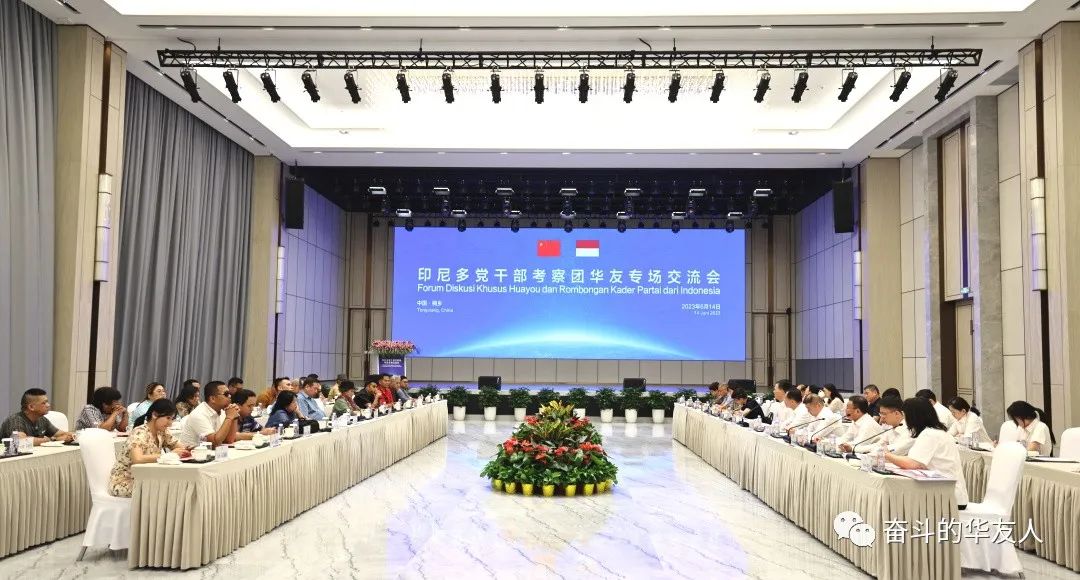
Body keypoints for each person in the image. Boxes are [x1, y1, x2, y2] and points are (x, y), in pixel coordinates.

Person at [885, 397, 969, 509]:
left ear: (913, 417)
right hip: (947, 493)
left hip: (948, 496)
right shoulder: (936, 431)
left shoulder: (930, 434)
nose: (905, 421)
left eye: (906, 416)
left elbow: (913, 464)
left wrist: (886, 455)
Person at [108, 399, 186, 498]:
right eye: (168, 418)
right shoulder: (140, 432)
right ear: (154, 415)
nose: (170, 423)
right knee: (166, 490)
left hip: (146, 479)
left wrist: (188, 450)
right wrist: (168, 456)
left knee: (175, 487)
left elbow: (180, 447)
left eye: (172, 419)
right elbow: (138, 459)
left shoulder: (162, 431)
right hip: (125, 481)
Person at [0, 388, 75, 444]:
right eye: (44, 403)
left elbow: (62, 434)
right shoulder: (15, 420)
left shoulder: (42, 420)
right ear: (31, 407)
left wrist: (74, 435)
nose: (48, 405)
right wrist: (52, 440)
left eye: (47, 402)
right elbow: (20, 440)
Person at [178, 381, 239, 448]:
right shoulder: (199, 414)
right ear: (212, 399)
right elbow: (214, 443)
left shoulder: (222, 411)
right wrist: (229, 417)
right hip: (192, 453)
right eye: (226, 394)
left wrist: (234, 417)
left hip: (210, 452)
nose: (230, 396)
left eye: (229, 394)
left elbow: (229, 440)